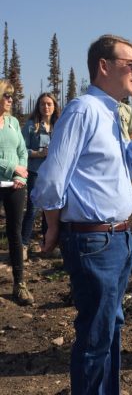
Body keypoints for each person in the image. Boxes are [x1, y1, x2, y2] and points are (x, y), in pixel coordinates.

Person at [31, 34, 132, 394]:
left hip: (118, 239)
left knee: (110, 328)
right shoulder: (83, 109)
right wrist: (53, 226)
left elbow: (129, 171)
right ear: (104, 66)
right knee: (95, 335)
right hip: (93, 240)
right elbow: (52, 179)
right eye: (130, 64)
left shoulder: (112, 112)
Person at [0, 79, 34, 305]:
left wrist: (20, 175)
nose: (11, 100)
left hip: (15, 186)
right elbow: (16, 161)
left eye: (12, 96)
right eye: (6, 95)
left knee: (15, 232)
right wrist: (13, 168)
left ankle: (19, 284)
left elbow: (22, 151)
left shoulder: (13, 122)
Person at [21, 93, 60, 259]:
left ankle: (48, 244)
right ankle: (23, 244)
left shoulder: (59, 126)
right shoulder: (31, 126)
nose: (46, 107)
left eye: (49, 104)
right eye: (43, 104)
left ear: (54, 106)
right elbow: (21, 150)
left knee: (50, 209)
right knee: (32, 208)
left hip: (54, 174)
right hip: (36, 173)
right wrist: (38, 153)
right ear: (38, 106)